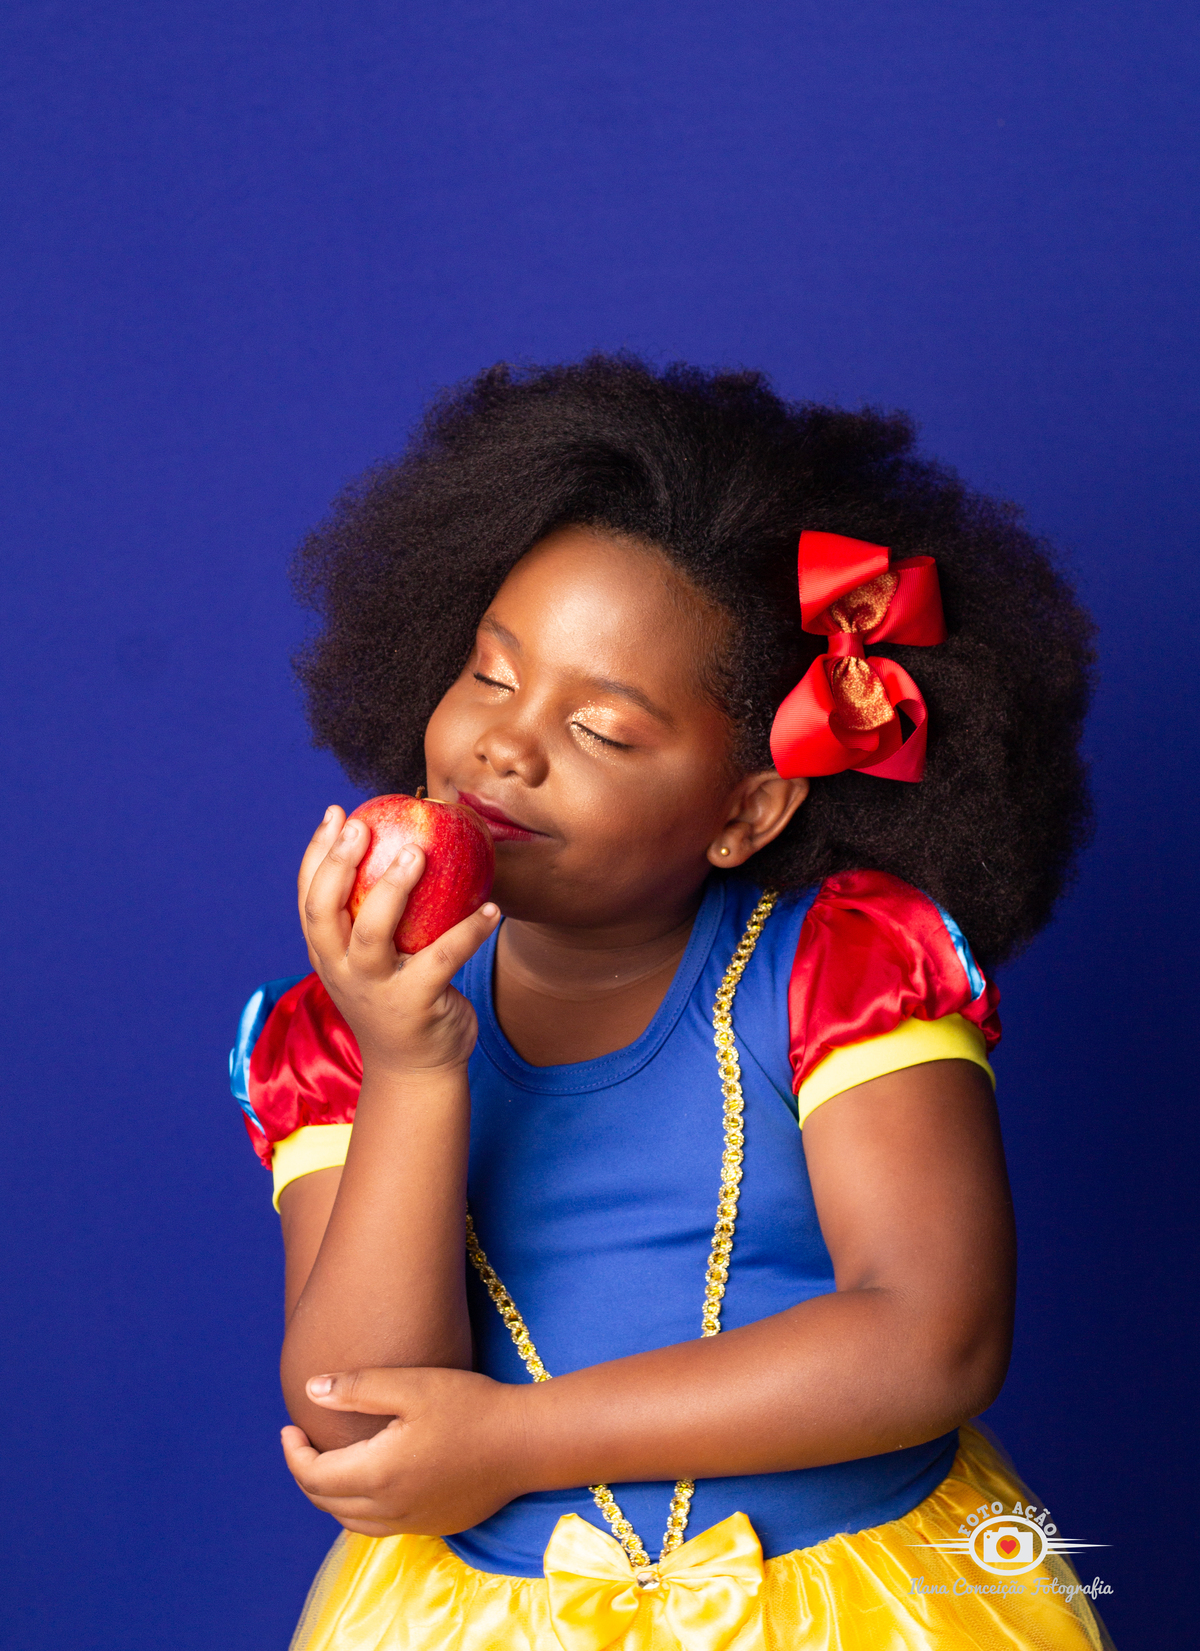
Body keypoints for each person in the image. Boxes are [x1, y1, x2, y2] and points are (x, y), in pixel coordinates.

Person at [230, 357, 1112, 1650]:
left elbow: (935, 1343)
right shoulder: (338, 1033)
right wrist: (411, 1069)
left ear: (749, 809)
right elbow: (358, 1423)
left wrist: (520, 1438)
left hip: (858, 1605)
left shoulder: (843, 971)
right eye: (488, 673)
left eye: (605, 730)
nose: (505, 744)